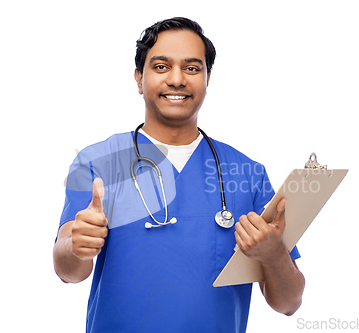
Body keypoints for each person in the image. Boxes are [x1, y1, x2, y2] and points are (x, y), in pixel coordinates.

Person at [53, 17, 305, 333]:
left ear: (207, 78)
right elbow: (69, 272)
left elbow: (288, 303)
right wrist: (76, 246)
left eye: (192, 68)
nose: (177, 79)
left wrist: (274, 255)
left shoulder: (247, 173)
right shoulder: (97, 163)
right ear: (138, 78)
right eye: (160, 67)